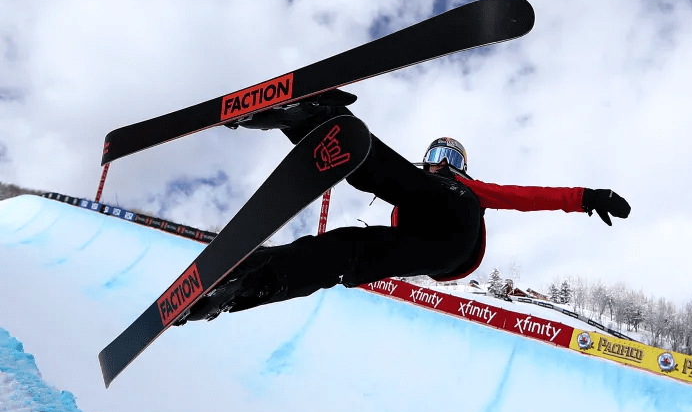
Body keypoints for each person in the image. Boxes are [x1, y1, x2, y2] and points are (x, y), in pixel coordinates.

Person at [180, 90, 630, 322]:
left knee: (404, 182)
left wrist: (586, 198)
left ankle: (318, 119)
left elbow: (528, 197)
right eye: (437, 157)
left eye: (451, 160)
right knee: (344, 250)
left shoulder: (468, 189)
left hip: (456, 230)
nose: (442, 164)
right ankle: (248, 283)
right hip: (419, 247)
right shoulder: (414, 191)